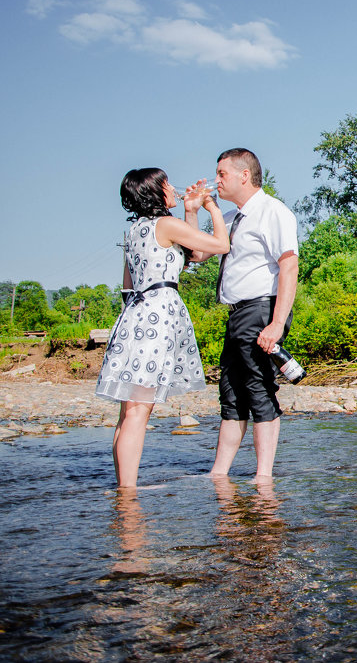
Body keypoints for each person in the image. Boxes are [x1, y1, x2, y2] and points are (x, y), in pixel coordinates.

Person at [97, 168, 230, 488]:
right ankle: (128, 496)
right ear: (155, 192)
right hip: (158, 316)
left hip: (134, 315)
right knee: (139, 413)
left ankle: (122, 490)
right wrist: (212, 208)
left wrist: (190, 210)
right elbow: (220, 245)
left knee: (127, 413)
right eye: (167, 184)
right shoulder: (165, 225)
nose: (173, 187)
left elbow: (192, 255)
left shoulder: (133, 232)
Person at [190, 148, 298, 484]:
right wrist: (193, 211)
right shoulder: (236, 218)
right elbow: (197, 254)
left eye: (221, 173)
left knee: (258, 387)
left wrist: (277, 323)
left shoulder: (272, 211)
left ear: (244, 176)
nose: (216, 180)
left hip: (261, 308)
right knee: (231, 390)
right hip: (237, 313)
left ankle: (263, 476)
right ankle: (219, 473)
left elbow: (289, 265)